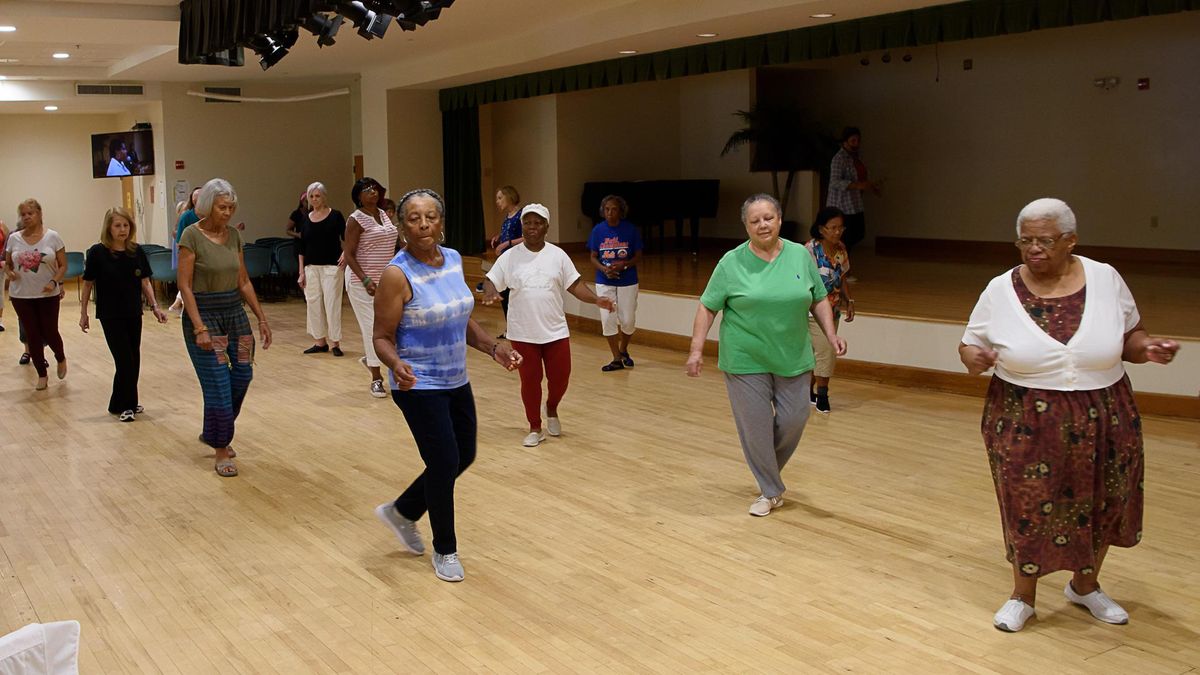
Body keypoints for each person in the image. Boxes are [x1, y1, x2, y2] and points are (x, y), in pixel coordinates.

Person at [959, 198, 1180, 633]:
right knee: (1028, 505)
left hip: (1105, 411)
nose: (1034, 249)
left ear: (1070, 240)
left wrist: (1147, 349)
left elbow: (1131, 335)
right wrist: (975, 358)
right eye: (1025, 240)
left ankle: (1085, 585)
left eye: (1045, 240)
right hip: (1023, 415)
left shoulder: (1105, 278)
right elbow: (968, 344)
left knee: (1104, 500)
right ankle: (1023, 595)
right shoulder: (1000, 288)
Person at [372, 188, 522, 583]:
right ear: (403, 226)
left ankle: (402, 510)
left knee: (464, 455)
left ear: (441, 222)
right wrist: (395, 363)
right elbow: (381, 337)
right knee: (443, 462)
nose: (423, 225)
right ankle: (446, 550)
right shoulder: (396, 274)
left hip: (456, 377)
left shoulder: (454, 260)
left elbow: (460, 318)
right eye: (414, 218)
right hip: (417, 383)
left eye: (431, 217)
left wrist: (493, 347)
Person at [685, 194, 845, 517]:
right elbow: (707, 306)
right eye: (755, 220)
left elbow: (819, 298)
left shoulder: (801, 256)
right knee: (756, 428)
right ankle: (771, 490)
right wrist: (696, 349)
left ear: (780, 220)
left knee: (794, 419)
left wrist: (831, 334)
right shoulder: (731, 262)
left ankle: (765, 470)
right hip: (746, 357)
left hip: (793, 355)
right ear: (746, 225)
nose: (763, 225)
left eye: (768, 218)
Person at [482, 203, 615, 447]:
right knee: (530, 381)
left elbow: (575, 285)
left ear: (547, 227)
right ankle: (534, 426)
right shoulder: (510, 257)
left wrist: (597, 299)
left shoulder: (558, 255)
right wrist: (490, 290)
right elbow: (490, 280)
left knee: (560, 379)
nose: (532, 227)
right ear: (522, 226)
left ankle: (551, 408)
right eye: (528, 223)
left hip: (555, 331)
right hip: (523, 333)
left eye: (538, 223)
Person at [177, 179, 272, 477]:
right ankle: (221, 448)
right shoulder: (191, 236)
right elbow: (185, 285)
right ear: (207, 205)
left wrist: (261, 318)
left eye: (231, 207)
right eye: (222, 207)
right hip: (206, 316)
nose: (228, 213)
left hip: (235, 315)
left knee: (243, 373)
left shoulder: (233, 236)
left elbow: (243, 280)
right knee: (218, 383)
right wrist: (199, 327)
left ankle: (214, 431)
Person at [79, 207, 168, 421]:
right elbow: (88, 284)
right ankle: (127, 406)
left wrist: (155, 306)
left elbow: (145, 281)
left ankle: (120, 402)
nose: (122, 230)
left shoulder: (136, 251)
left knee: (133, 357)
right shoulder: (97, 253)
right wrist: (83, 313)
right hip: (110, 314)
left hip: (132, 311)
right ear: (108, 228)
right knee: (124, 359)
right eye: (117, 225)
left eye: (126, 225)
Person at [343, 177, 399, 398]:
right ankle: (376, 378)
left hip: (384, 283)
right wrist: (365, 280)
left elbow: (394, 243)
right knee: (371, 329)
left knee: (389, 327)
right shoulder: (356, 219)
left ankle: (371, 358)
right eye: (367, 190)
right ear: (358, 196)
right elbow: (348, 254)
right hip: (361, 283)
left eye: (375, 188)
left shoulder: (383, 214)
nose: (372, 192)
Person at [5, 199, 69, 391]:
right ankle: (41, 373)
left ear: (40, 214)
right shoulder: (14, 238)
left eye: (30, 213)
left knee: (50, 331)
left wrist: (54, 281)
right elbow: (7, 263)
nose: (26, 217)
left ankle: (60, 357)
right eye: (23, 214)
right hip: (21, 295)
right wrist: (9, 273)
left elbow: (63, 264)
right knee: (32, 333)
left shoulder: (53, 237)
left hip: (47, 294)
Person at [805, 206, 855, 414]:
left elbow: (841, 276)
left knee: (821, 353)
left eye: (840, 228)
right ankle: (821, 394)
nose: (837, 232)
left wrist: (848, 299)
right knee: (825, 351)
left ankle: (808, 391)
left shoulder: (841, 249)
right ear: (821, 229)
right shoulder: (809, 250)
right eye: (832, 228)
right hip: (811, 310)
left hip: (833, 310)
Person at [587, 194, 643, 371]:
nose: (610, 212)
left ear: (621, 211)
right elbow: (593, 256)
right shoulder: (598, 230)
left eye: (614, 209)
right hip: (604, 280)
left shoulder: (631, 230)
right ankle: (616, 358)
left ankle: (623, 349)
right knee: (607, 318)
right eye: (607, 209)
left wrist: (624, 265)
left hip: (628, 280)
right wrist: (604, 269)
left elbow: (638, 255)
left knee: (628, 319)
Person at [297, 181, 347, 356]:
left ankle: (335, 343)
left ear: (324, 196)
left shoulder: (336, 216)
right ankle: (320, 341)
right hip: (311, 268)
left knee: (332, 304)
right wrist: (301, 271)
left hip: (332, 267)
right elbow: (301, 247)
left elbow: (347, 237)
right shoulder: (305, 219)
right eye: (311, 196)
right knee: (313, 304)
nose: (314, 199)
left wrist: (346, 253)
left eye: (317, 196)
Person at [826, 126, 880, 253]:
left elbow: (860, 177)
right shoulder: (839, 159)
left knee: (858, 233)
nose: (856, 144)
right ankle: (841, 266)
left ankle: (843, 264)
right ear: (845, 142)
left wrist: (870, 186)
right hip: (842, 205)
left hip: (855, 203)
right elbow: (835, 181)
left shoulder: (856, 158)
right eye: (853, 141)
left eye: (858, 141)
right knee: (846, 237)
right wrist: (857, 185)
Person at [478, 185, 524, 334]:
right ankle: (510, 327)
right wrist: (499, 237)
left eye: (499, 198)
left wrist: (507, 243)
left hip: (517, 260)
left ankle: (516, 328)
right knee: (505, 295)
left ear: (509, 197)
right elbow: (510, 234)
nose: (497, 202)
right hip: (506, 260)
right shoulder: (508, 217)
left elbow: (525, 238)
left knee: (511, 295)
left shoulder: (521, 215)